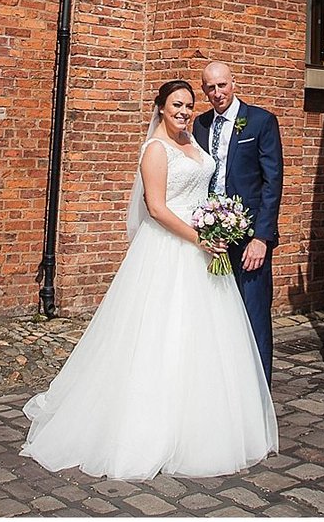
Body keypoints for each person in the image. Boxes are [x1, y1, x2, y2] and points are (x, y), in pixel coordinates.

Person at [20, 79, 277, 480]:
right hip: (172, 250)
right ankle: (150, 427)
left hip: (204, 251)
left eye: (189, 105)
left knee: (205, 338)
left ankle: (206, 420)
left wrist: (217, 227)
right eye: (177, 104)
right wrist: (201, 239)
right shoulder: (155, 151)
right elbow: (156, 209)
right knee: (161, 334)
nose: (184, 111)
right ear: (159, 107)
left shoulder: (194, 142)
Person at [194, 62, 283, 382]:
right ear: (204, 90)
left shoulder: (260, 121)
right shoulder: (200, 125)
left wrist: (262, 237)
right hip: (211, 237)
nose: (217, 93)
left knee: (254, 315)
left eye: (222, 85)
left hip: (249, 239)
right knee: (215, 313)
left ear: (233, 83)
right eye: (210, 88)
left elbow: (273, 183)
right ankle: (223, 389)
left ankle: (259, 392)